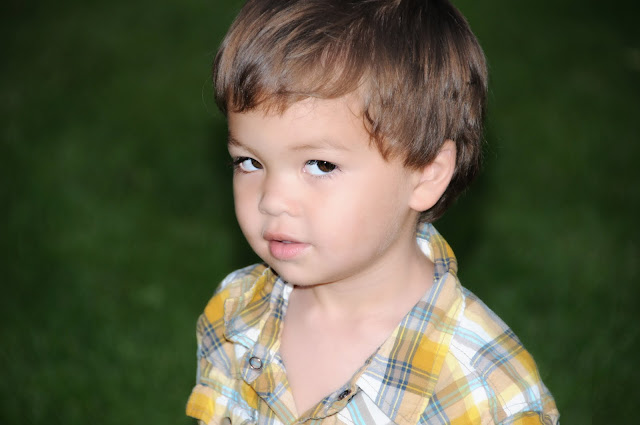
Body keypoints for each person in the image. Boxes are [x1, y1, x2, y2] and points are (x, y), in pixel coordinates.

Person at [186, 0, 559, 423]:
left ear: (426, 173)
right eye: (249, 162)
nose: (271, 200)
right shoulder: (237, 312)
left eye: (320, 165)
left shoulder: (485, 392)